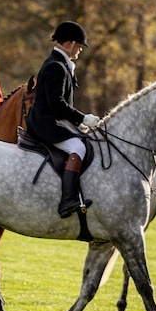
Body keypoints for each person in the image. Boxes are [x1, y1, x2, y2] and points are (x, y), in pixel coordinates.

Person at [24, 21, 100, 219]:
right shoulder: (56, 66)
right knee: (79, 148)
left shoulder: (61, 64)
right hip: (46, 124)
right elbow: (56, 104)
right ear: (69, 43)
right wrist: (82, 117)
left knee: (85, 141)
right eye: (79, 46)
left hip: (55, 120)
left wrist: (77, 123)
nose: (80, 50)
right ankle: (67, 200)